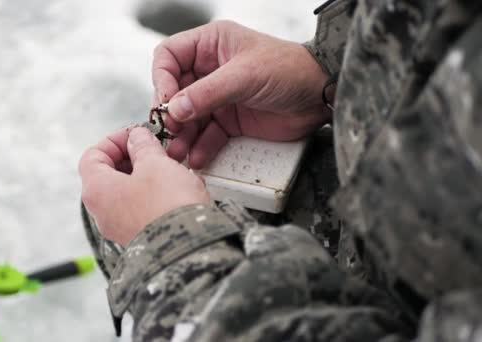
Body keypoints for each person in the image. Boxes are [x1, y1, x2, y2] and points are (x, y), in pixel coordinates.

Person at [79, 0, 482, 340]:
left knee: (139, 236)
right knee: (122, 210)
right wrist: (328, 72)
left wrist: (177, 255)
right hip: (398, 215)